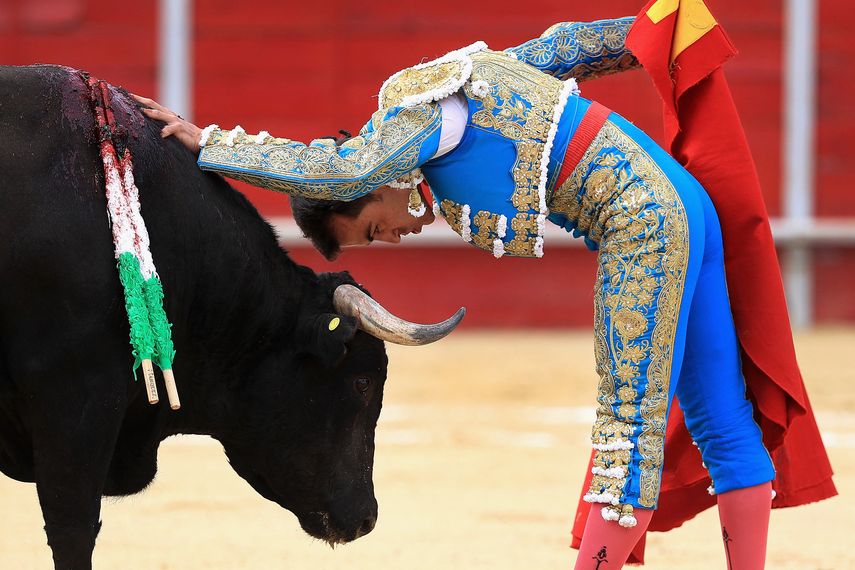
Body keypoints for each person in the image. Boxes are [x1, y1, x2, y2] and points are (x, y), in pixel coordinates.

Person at [135, 11, 833, 569]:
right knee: (718, 416)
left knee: (628, 429)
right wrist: (645, 28)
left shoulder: (409, 118)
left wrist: (215, 144)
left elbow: (337, 167)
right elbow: (557, 50)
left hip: (647, 222)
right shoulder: (451, 96)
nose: (394, 239)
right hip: (686, 209)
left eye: (372, 230)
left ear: (372, 190)